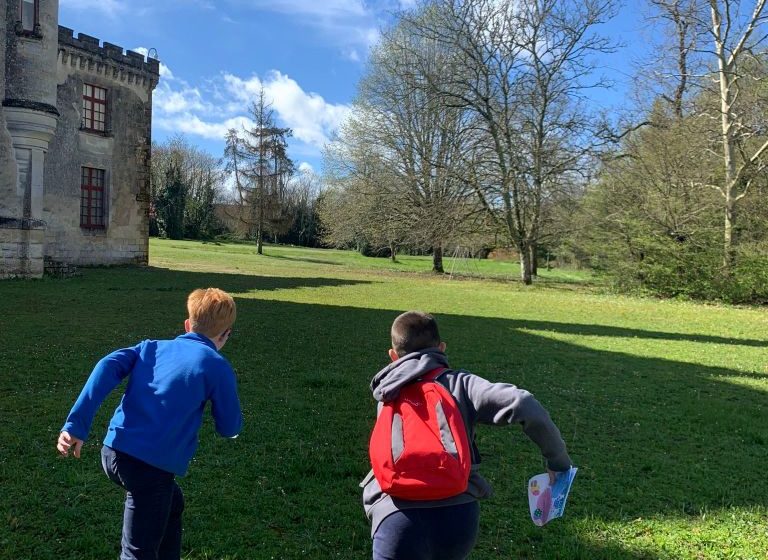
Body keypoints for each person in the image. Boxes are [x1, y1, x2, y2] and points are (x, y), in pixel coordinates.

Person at [361, 311, 572, 560]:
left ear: (392, 356)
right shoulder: (461, 385)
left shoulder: (386, 389)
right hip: (457, 517)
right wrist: (558, 462)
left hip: (396, 516)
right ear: (441, 347)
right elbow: (522, 402)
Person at [57, 287, 243, 560]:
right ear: (225, 335)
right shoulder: (217, 366)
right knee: (137, 552)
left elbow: (107, 366)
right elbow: (229, 428)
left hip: (112, 453)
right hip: (149, 470)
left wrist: (75, 425)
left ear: (187, 324)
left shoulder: (150, 348)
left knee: (172, 503)